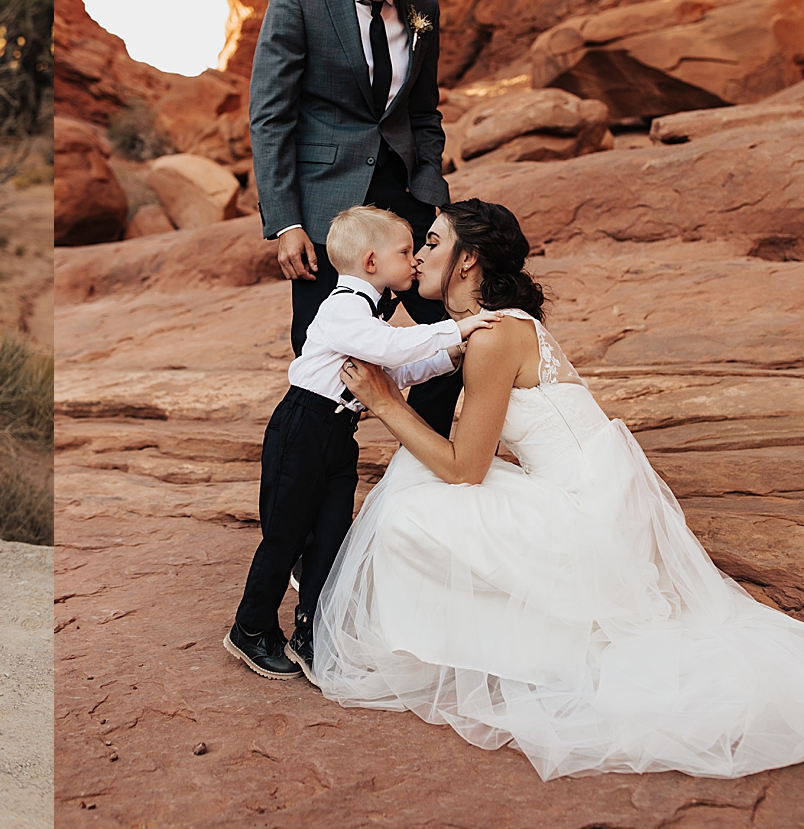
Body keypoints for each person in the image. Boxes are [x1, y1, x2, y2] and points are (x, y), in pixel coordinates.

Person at [315, 199, 804, 779]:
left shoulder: (496, 336)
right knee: (416, 481)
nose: (419, 255)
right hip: (594, 501)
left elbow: (465, 468)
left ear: (468, 260)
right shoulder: (497, 328)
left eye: (433, 242)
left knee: (408, 509)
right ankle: (514, 644)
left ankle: (519, 655)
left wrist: (385, 403)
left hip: (587, 522)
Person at [224, 205, 501, 681]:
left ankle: (312, 630)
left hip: (338, 433)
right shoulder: (343, 308)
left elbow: (396, 372)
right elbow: (391, 349)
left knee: (332, 534)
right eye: (406, 252)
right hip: (303, 428)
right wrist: (454, 329)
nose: (415, 260)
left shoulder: (369, 318)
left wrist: (452, 355)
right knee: (287, 534)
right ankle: (250, 628)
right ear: (371, 262)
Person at [248, 0, 461, 439]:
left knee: (456, 336)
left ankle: (426, 460)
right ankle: (318, 471)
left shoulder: (424, 11)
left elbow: (424, 112)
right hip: (326, 208)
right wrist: (286, 223)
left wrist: (432, 193)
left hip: (405, 200)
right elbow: (271, 117)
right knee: (324, 362)